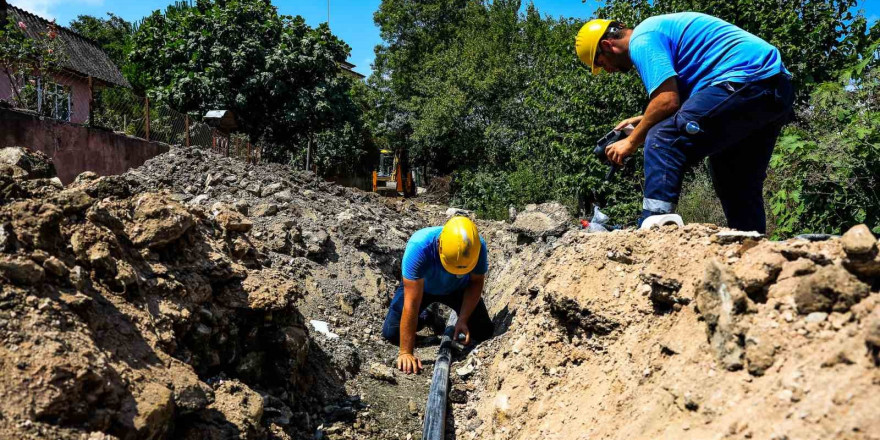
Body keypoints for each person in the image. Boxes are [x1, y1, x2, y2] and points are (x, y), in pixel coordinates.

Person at [575, 12, 795, 233]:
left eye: (602, 64)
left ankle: (653, 226)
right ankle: (751, 244)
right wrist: (643, 121)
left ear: (607, 45)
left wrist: (631, 141)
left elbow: (666, 101)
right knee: (734, 178)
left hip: (746, 79)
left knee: (663, 138)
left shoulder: (642, 39)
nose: (608, 71)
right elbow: (691, 105)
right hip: (771, 89)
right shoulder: (659, 32)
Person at [381, 216, 493, 374]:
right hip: (422, 289)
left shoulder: (476, 247)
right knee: (392, 333)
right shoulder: (419, 247)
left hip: (458, 289)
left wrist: (463, 319)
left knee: (484, 332)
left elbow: (475, 282)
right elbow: (411, 303)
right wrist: (406, 352)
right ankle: (428, 317)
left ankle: (447, 319)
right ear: (439, 245)